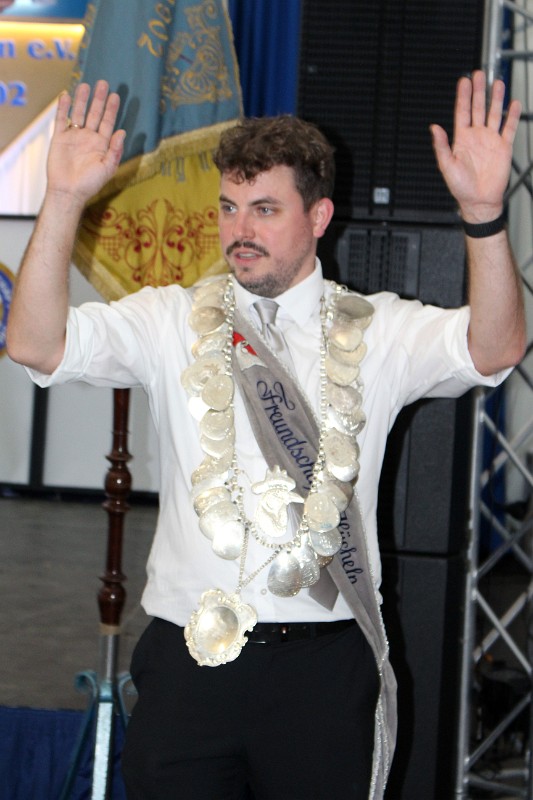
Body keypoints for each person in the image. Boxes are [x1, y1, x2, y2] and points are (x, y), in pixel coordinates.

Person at [6, 71, 526, 800]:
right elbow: (34, 344)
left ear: (319, 216)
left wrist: (484, 216)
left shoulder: (379, 330)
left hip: (322, 672)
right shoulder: (168, 319)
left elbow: (496, 349)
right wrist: (62, 199)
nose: (238, 230)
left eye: (263, 209)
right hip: (191, 667)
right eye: (227, 207)